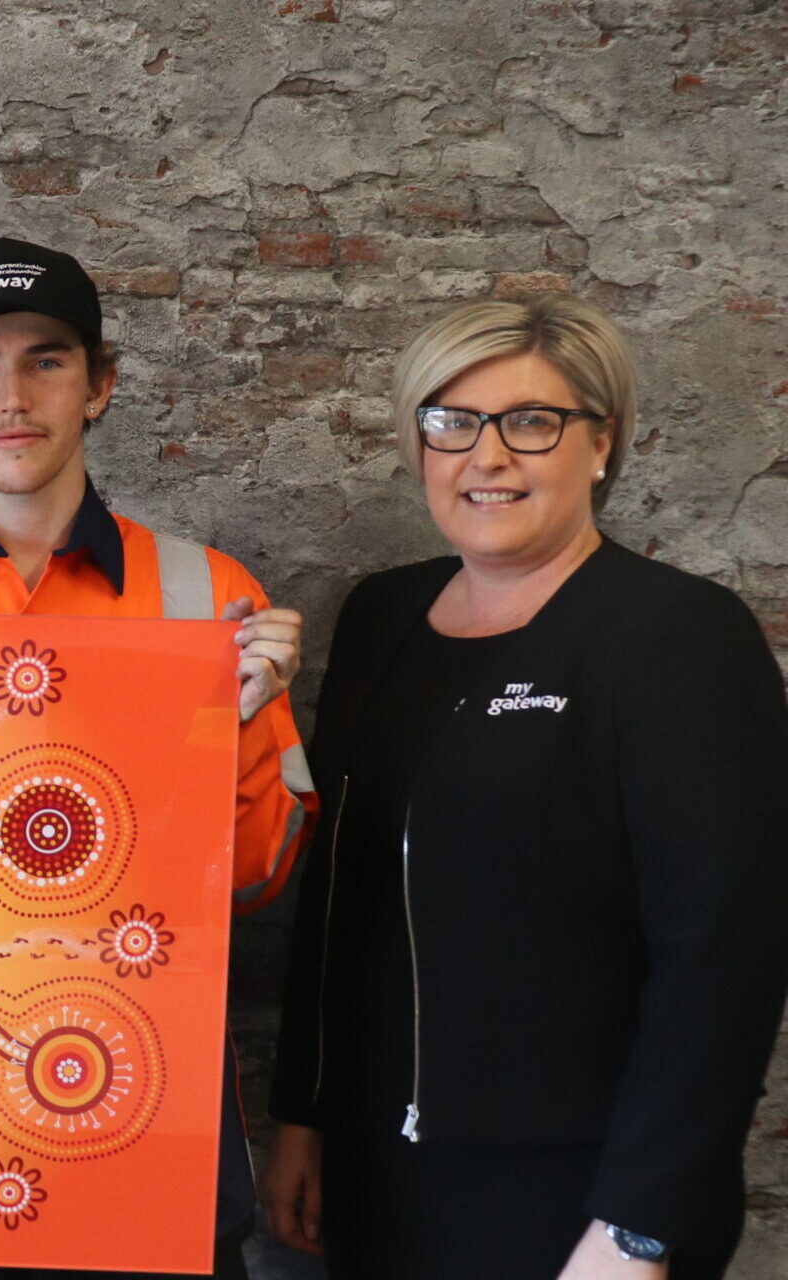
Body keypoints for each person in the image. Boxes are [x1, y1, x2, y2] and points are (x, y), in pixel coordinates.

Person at [0, 237, 315, 1280]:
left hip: (149, 1116)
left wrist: (246, 721)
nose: (12, 393)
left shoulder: (204, 592)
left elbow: (258, 880)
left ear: (100, 384)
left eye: (46, 358)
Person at [262, 296, 788, 1280]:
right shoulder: (383, 617)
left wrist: (638, 1224)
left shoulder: (677, 637)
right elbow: (341, 902)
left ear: (601, 443)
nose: (486, 455)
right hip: (381, 1168)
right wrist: (305, 1107)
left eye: (530, 421)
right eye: (450, 420)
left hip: (577, 1192)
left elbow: (724, 958)